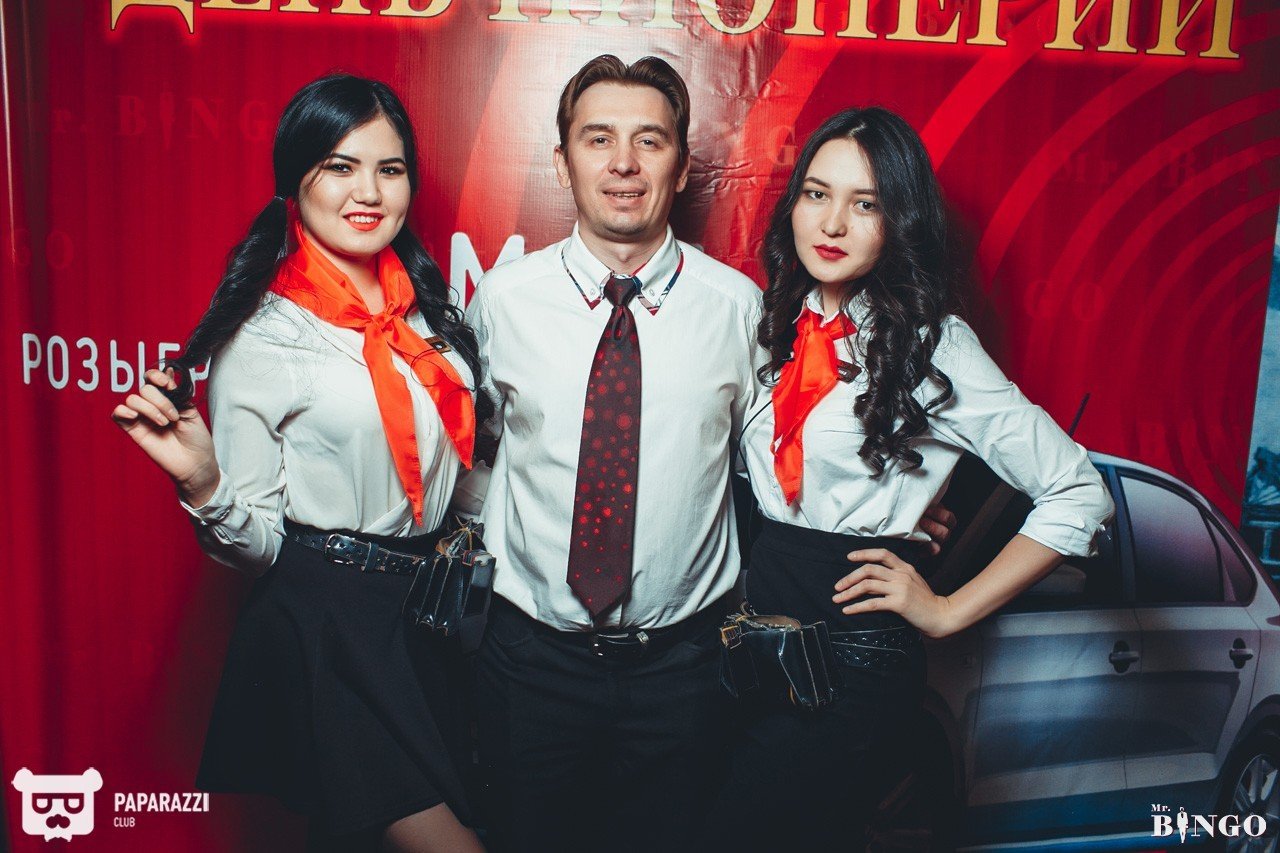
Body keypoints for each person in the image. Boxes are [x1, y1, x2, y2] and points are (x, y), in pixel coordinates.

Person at [453, 57, 953, 853]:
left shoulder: (740, 310)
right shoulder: (503, 303)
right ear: (562, 161)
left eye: (648, 141)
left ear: (682, 167)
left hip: (683, 673)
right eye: (598, 139)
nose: (623, 162)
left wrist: (888, 501)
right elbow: (463, 453)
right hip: (530, 665)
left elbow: (785, 452)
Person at [706, 106, 1116, 849]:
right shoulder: (770, 327)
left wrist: (949, 610)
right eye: (817, 194)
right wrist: (905, 495)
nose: (833, 222)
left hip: (854, 651)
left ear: (900, 222)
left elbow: (1079, 493)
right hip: (754, 637)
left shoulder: (934, 346)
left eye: (866, 204)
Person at [110, 75, 486, 853]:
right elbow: (261, 546)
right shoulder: (265, 338)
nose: (369, 191)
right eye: (340, 166)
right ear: (295, 179)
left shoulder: (427, 316)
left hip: (426, 617)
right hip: (328, 619)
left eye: (389, 169)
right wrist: (204, 483)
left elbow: (459, 475)